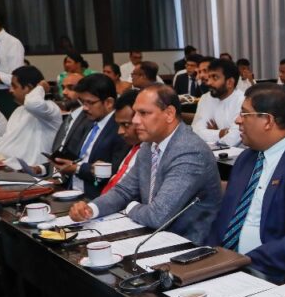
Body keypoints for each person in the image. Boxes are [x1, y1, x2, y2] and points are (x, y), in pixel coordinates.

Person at [206, 84, 285, 282]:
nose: (237, 120)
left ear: (267, 121)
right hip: (226, 267)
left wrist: (243, 261)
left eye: (245, 114)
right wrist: (209, 258)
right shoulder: (246, 159)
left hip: (277, 274)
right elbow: (223, 220)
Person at [68, 85, 222, 244]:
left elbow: (157, 216)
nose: (135, 120)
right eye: (135, 113)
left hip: (187, 244)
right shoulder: (150, 145)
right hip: (151, 234)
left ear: (169, 114)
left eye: (143, 113)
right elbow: (124, 191)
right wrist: (91, 209)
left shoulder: (190, 151)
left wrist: (130, 207)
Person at [51, 74, 128, 197]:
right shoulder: (87, 121)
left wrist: (77, 168)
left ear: (109, 102)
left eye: (90, 102)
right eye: (82, 102)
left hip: (96, 198)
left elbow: (114, 172)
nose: (85, 108)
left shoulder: (120, 129)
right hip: (71, 191)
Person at [191, 58, 243, 147]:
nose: (209, 82)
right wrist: (221, 133)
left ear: (230, 82)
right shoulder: (205, 98)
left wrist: (211, 134)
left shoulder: (242, 100)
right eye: (209, 77)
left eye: (215, 78)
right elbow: (195, 132)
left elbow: (232, 139)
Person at [101, 90, 143, 195]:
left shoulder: (153, 153)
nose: (120, 131)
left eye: (126, 125)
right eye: (119, 125)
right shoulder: (126, 146)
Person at [51, 72, 89, 154]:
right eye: (63, 88)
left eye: (71, 88)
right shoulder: (68, 117)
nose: (64, 92)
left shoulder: (89, 119)